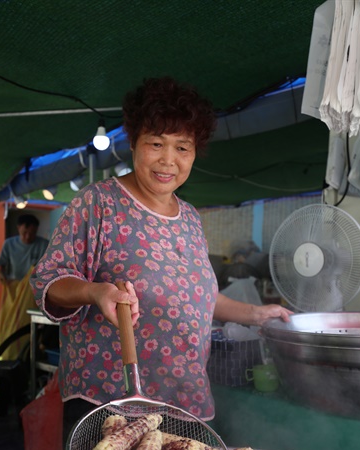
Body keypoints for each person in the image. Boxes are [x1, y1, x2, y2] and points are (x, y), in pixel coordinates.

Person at [30, 76, 292, 428]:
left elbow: (199, 299)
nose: (168, 160)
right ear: (134, 144)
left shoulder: (191, 219)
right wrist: (96, 291)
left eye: (182, 147)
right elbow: (48, 280)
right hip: (112, 402)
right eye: (156, 143)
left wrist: (258, 315)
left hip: (185, 401)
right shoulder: (99, 203)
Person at [0, 213, 49, 360]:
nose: (28, 236)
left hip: (31, 292)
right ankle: (8, 356)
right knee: (10, 323)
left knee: (27, 324)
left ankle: (26, 356)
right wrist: (2, 275)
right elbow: (0, 266)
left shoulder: (43, 245)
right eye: (24, 232)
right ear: (18, 228)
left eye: (32, 233)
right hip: (12, 290)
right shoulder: (9, 244)